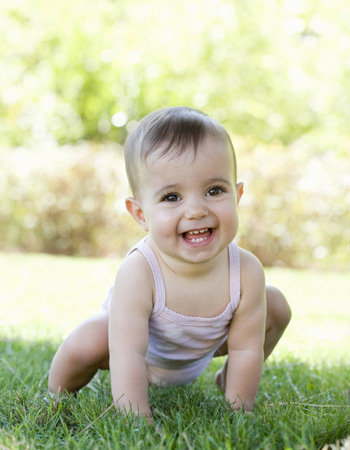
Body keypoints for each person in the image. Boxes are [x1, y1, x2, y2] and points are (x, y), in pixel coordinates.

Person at [48, 106, 291, 423]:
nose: (196, 210)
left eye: (214, 190)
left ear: (238, 195)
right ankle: (54, 394)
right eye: (172, 197)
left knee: (276, 305)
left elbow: (246, 348)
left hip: (204, 348)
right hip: (141, 354)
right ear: (140, 214)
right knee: (89, 339)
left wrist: (239, 412)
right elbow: (128, 353)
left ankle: (227, 379)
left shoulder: (246, 271)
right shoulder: (140, 270)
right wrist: (138, 420)